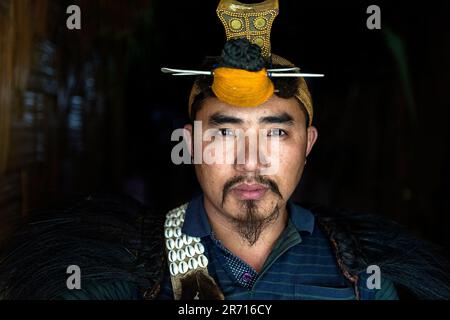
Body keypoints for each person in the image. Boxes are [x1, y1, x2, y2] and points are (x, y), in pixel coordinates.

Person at [0, 0, 449, 300]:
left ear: (307, 145)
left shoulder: (363, 275)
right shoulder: (122, 269)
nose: (249, 159)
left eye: (275, 133)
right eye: (224, 133)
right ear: (190, 142)